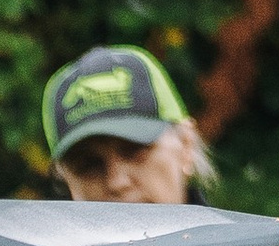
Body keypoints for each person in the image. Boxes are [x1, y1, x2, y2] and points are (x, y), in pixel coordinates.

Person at [41, 43, 213, 204]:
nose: (117, 183)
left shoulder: (238, 235)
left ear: (186, 146)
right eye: (88, 165)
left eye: (134, 150)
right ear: (65, 179)